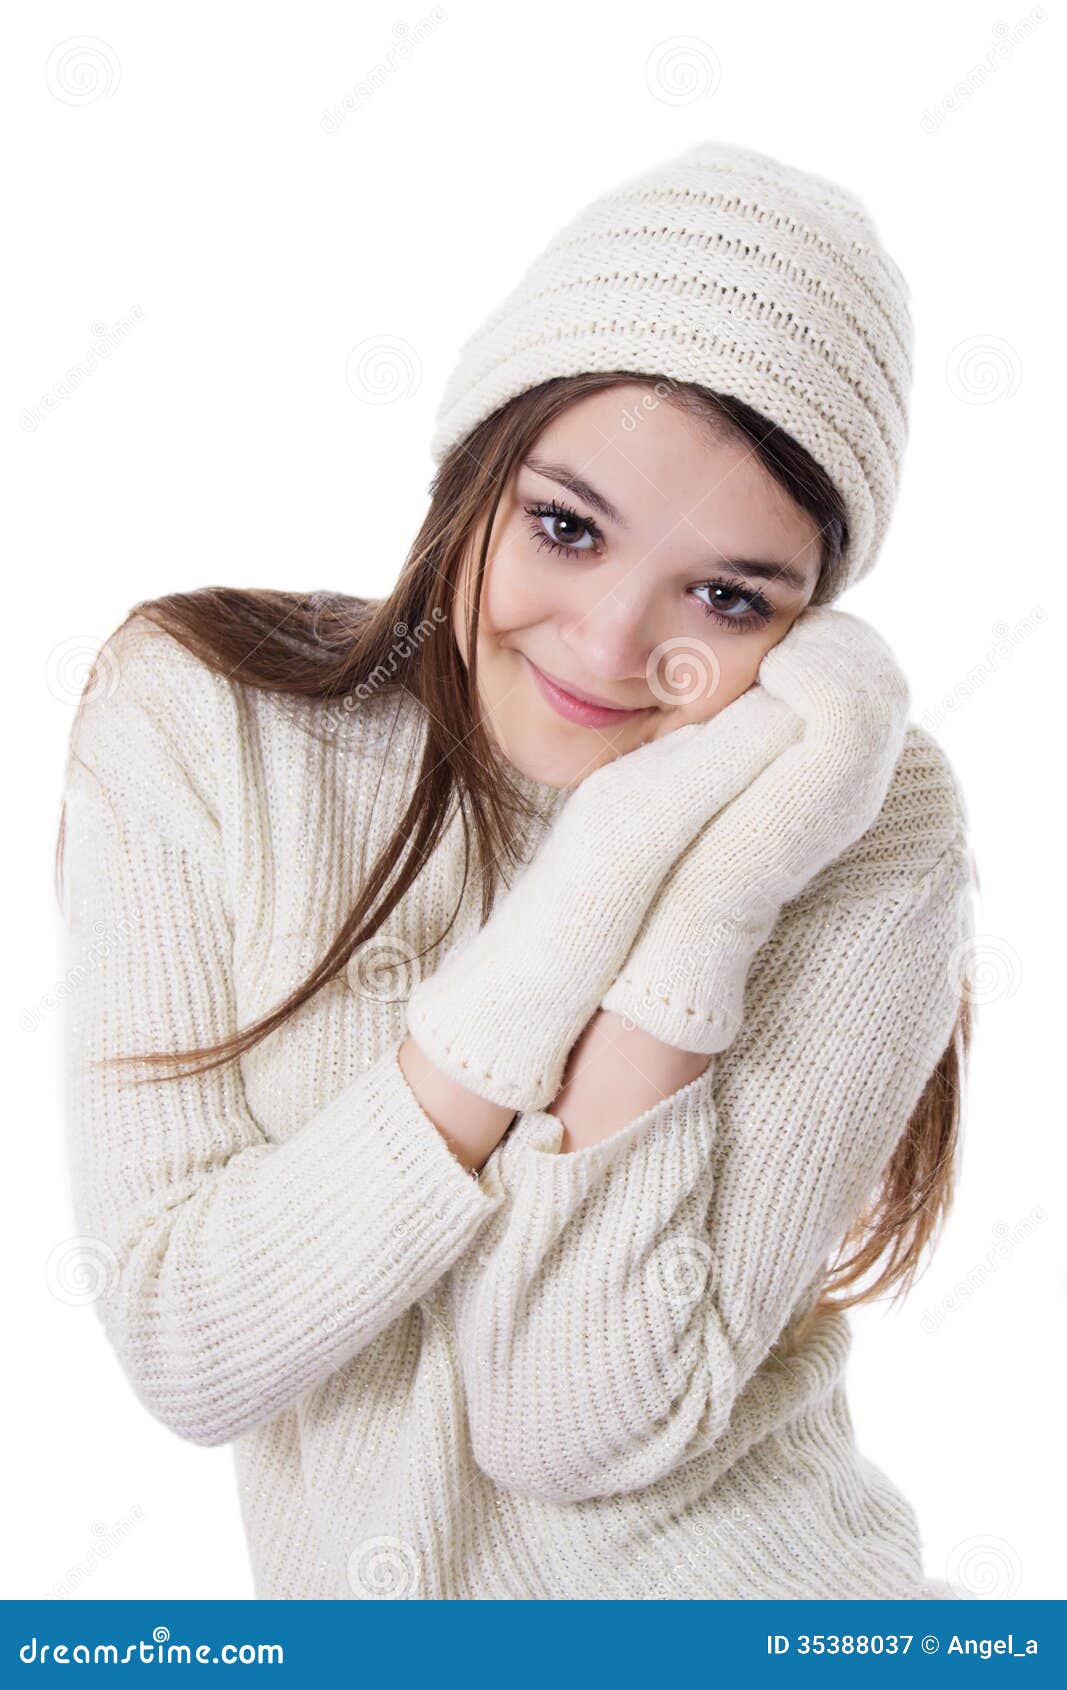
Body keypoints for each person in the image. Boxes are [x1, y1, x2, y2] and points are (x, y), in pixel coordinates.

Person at [58, 139, 977, 1600]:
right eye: (565, 525)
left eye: (730, 595)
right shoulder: (203, 715)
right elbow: (190, 1337)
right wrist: (591, 882)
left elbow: (572, 1416)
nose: (612, 648)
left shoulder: (854, 804)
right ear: (470, 469)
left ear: (809, 628)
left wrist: (711, 886)